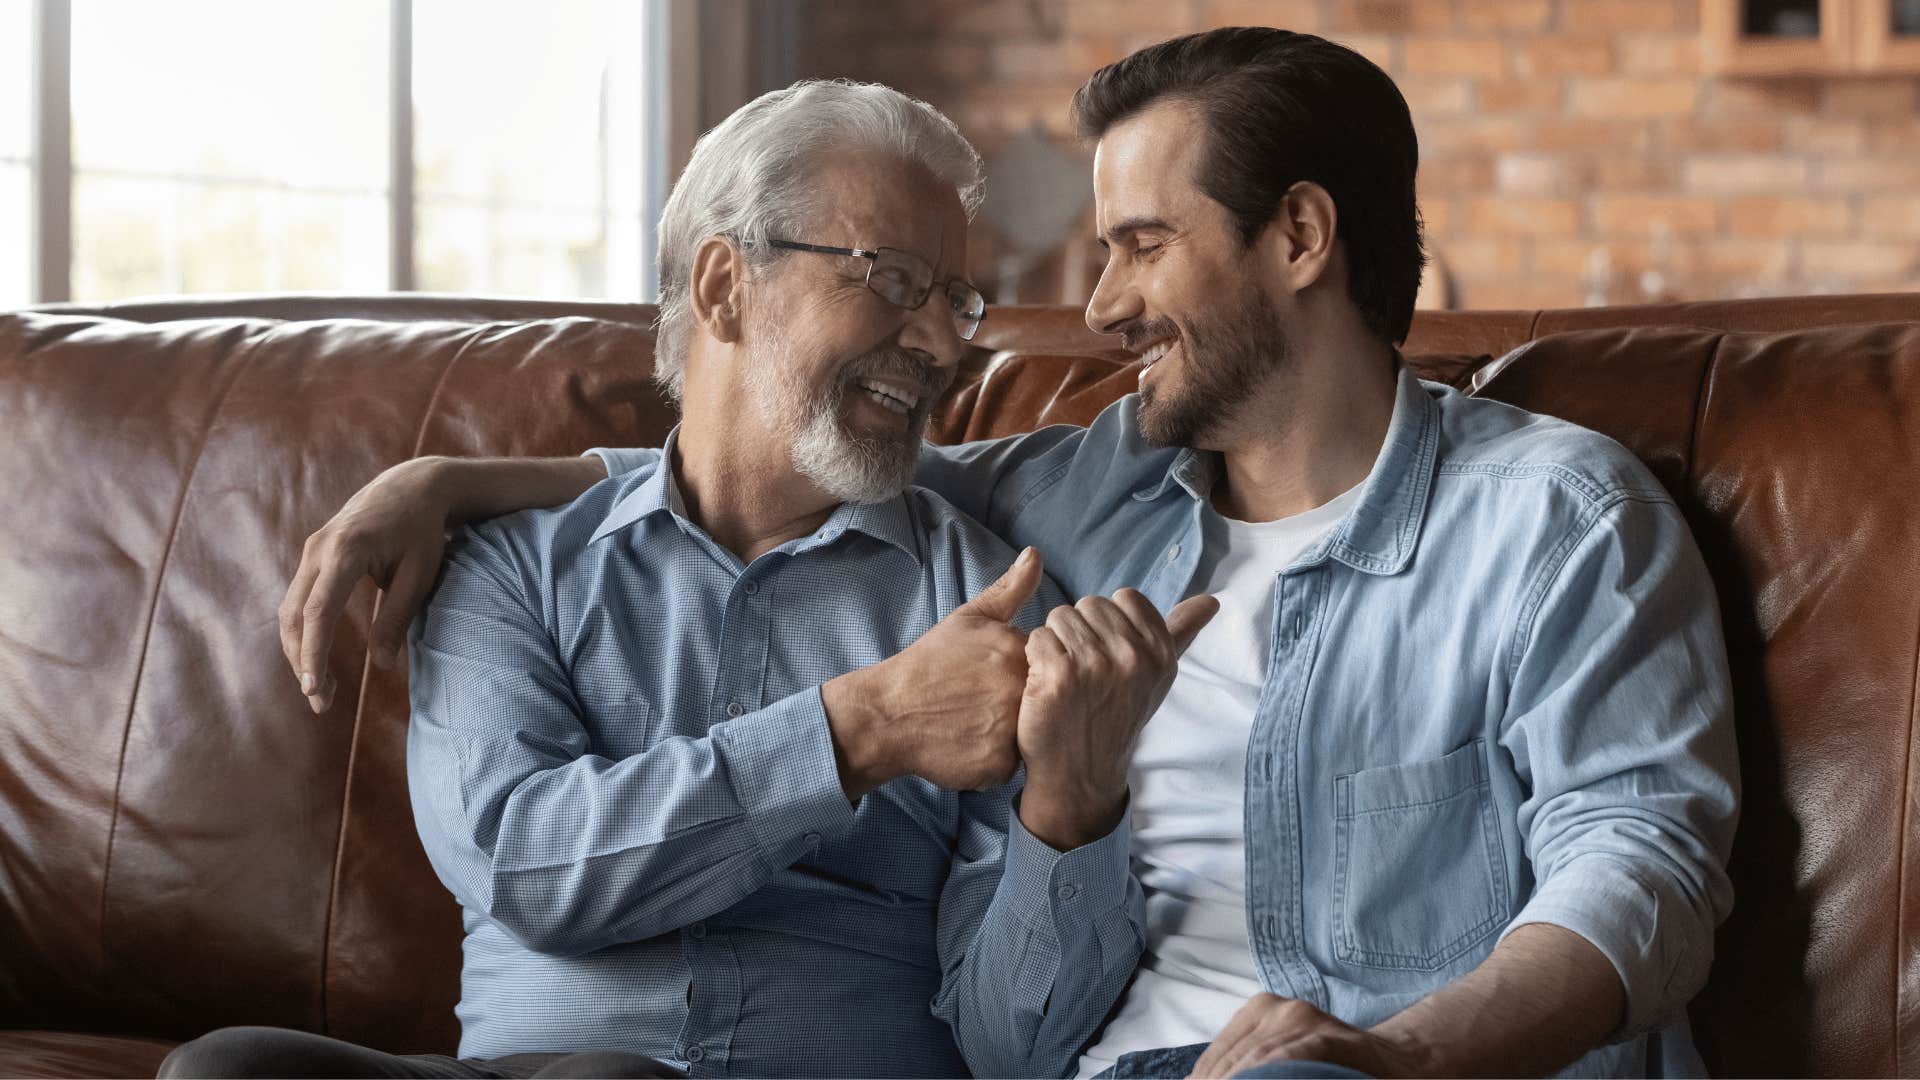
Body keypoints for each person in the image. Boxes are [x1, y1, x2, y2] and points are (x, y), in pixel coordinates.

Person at [285, 28, 1740, 1080]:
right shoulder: (1066, 509)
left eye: (1141, 245)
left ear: (1301, 237)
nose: (1095, 307)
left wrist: (1395, 1059)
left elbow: (1642, 866)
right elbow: (780, 461)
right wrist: (459, 477)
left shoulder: (1558, 521)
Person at [167, 80, 1223, 1080]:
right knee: (223, 1069)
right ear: (725, 286)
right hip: (523, 1073)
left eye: (956, 299)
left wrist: (1069, 809)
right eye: (894, 280)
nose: (943, 340)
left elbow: (1016, 1052)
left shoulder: (985, 602)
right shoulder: (511, 563)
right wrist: (860, 728)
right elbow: (524, 868)